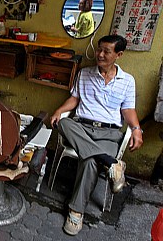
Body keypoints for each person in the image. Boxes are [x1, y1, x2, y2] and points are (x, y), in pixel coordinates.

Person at [50, 35, 143, 236]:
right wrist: (59, 110)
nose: (100, 54)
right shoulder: (84, 73)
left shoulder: (127, 81)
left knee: (90, 161)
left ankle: (75, 212)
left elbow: (128, 110)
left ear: (119, 55)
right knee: (64, 122)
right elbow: (74, 99)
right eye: (99, 50)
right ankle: (111, 163)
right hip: (82, 128)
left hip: (108, 134)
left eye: (106, 51)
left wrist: (136, 129)